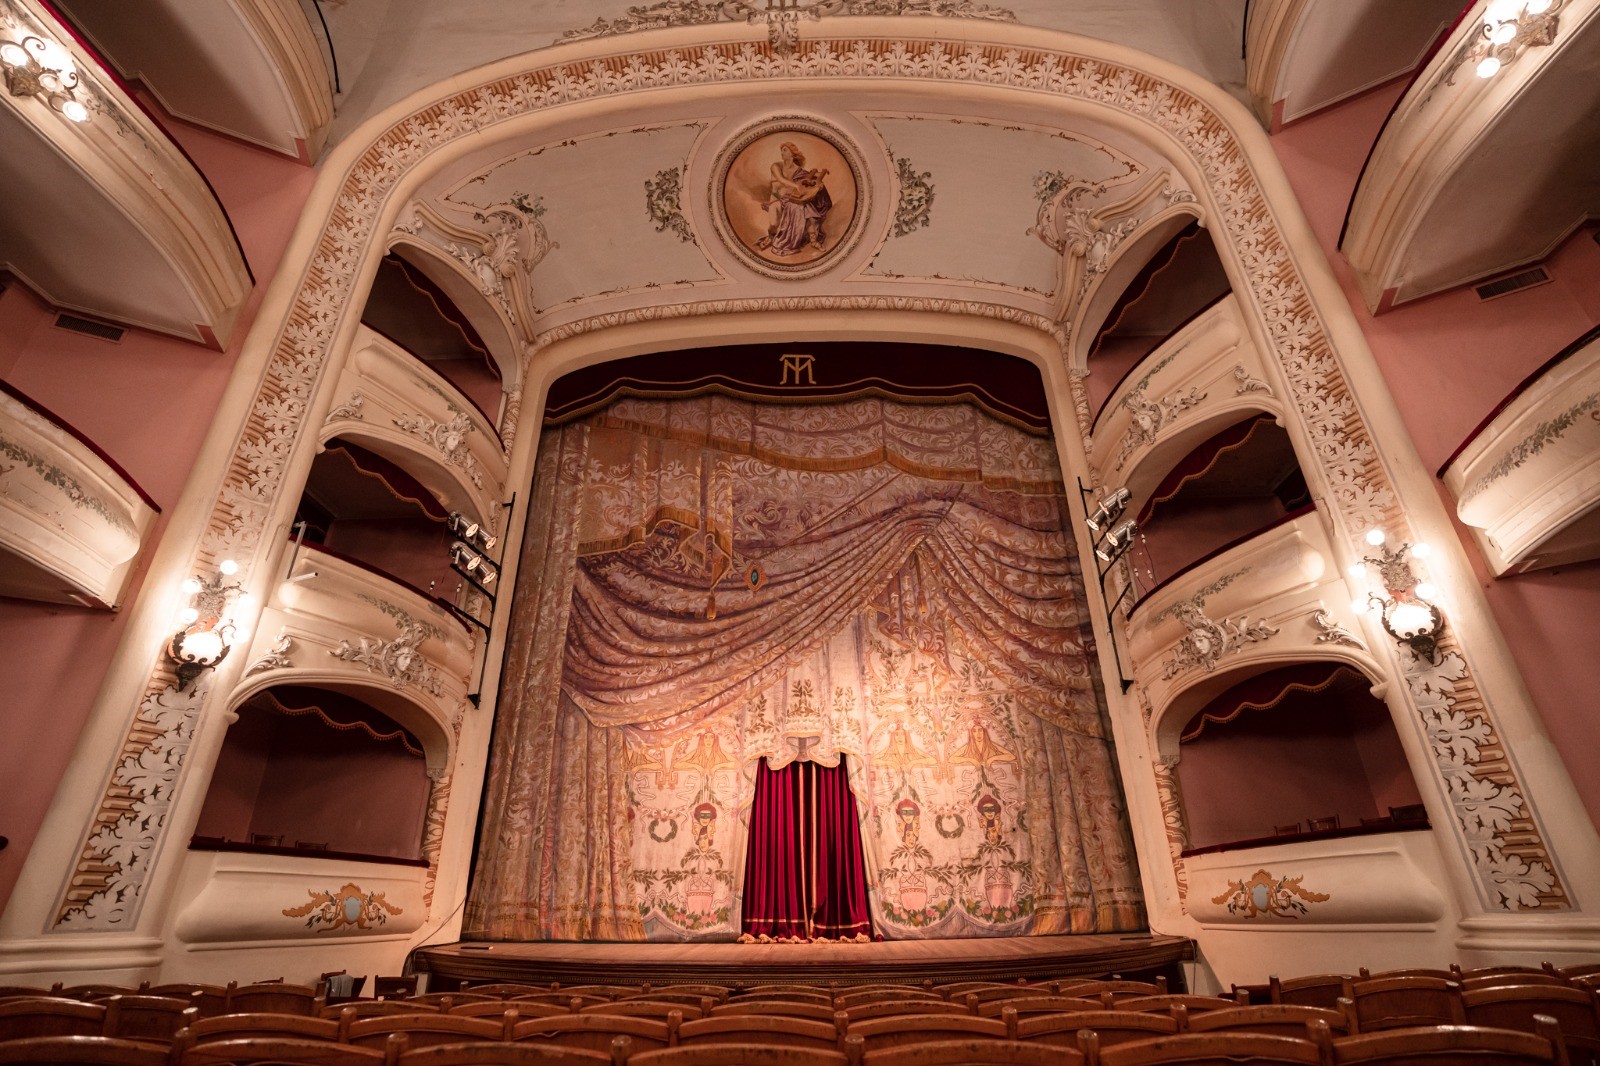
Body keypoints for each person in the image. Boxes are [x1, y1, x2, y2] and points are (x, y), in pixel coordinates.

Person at [755, 141, 832, 256]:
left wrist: (818, 183)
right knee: (773, 223)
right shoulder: (776, 166)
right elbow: (781, 180)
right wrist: (796, 185)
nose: (782, 152)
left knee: (809, 211)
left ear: (793, 154)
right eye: (781, 150)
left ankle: (814, 241)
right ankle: (771, 237)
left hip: (792, 200)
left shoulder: (799, 171)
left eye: (785, 150)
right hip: (776, 199)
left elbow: (809, 182)